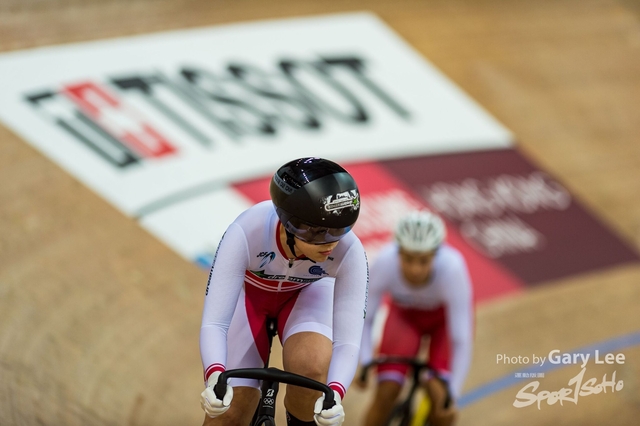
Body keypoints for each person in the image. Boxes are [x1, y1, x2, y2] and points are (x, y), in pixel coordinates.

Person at [199, 157, 369, 426]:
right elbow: (215, 323)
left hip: (308, 293)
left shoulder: (350, 250)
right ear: (290, 223)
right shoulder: (248, 229)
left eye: (340, 230)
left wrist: (335, 394)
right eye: (319, 233)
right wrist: (215, 376)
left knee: (311, 368)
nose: (331, 244)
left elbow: (347, 341)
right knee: (228, 411)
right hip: (250, 297)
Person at [357, 210, 474, 426]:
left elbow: (460, 339)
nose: (415, 269)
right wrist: (363, 363)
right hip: (405, 319)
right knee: (385, 394)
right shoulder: (385, 262)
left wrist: (452, 393)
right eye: (408, 259)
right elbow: (365, 317)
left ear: (436, 254)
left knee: (442, 408)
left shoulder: (452, 268)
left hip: (442, 324)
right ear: (398, 252)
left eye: (423, 261)